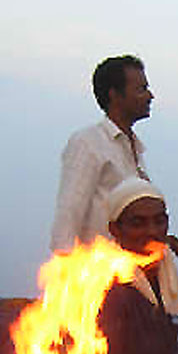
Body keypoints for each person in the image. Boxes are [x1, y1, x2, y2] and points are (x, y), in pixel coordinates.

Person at [94, 177, 178, 354]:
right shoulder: (109, 288)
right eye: (138, 223)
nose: (152, 231)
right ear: (115, 229)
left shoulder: (163, 272)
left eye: (159, 221)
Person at [51, 55, 155, 251]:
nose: (150, 96)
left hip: (129, 271)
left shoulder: (134, 148)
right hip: (99, 272)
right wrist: (65, 270)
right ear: (115, 94)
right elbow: (69, 211)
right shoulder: (88, 143)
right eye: (141, 89)